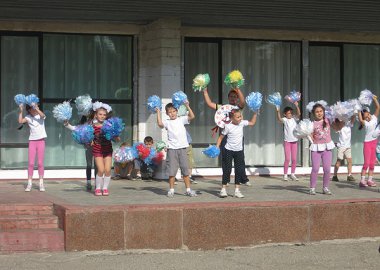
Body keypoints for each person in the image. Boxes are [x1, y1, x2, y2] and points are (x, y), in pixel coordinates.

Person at [203, 87, 251, 186]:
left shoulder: (238, 107)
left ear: (237, 98)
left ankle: (243, 179)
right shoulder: (222, 107)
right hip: (224, 135)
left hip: (237, 137)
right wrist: (205, 91)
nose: (233, 98)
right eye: (231, 96)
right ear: (228, 97)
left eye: (235, 97)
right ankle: (226, 180)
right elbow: (209, 103)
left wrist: (238, 89)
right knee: (226, 160)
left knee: (240, 159)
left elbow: (243, 102)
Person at [156, 102, 197, 197]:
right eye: (170, 112)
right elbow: (160, 124)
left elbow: (192, 116)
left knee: (185, 170)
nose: (172, 113)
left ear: (177, 111)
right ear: (167, 113)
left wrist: (187, 106)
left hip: (183, 148)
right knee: (172, 171)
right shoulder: (167, 122)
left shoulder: (181, 119)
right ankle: (171, 190)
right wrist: (158, 112)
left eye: (174, 111)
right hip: (172, 149)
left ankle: (188, 190)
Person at [216, 109, 257, 198]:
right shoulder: (228, 126)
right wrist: (217, 147)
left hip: (239, 151)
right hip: (228, 150)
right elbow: (220, 138)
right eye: (238, 117)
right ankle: (223, 189)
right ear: (231, 118)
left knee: (238, 170)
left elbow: (252, 123)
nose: (240, 118)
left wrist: (255, 113)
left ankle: (237, 190)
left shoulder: (242, 123)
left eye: (240, 116)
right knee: (227, 169)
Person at [309, 103, 341, 195]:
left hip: (327, 148)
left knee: (327, 169)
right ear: (313, 113)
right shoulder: (311, 124)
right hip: (316, 149)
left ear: (323, 112)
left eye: (321, 111)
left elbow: (338, 126)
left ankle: (325, 188)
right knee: (315, 168)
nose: (319, 113)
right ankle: (312, 188)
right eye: (317, 112)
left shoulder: (328, 120)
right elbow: (310, 136)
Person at [91, 102, 120, 196]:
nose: (102, 116)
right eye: (100, 114)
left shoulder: (110, 125)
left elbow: (116, 138)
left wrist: (116, 137)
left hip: (107, 150)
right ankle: (98, 188)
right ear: (96, 114)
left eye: (104, 115)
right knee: (101, 169)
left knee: (107, 170)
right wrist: (89, 141)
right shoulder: (92, 126)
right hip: (97, 150)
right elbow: (86, 135)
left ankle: (105, 188)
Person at [18, 103, 47, 192]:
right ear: (29, 110)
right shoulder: (28, 117)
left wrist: (37, 108)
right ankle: (29, 183)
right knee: (30, 163)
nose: (33, 110)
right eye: (31, 109)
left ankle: (41, 183)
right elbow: (20, 121)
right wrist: (21, 110)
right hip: (32, 142)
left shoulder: (40, 115)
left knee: (40, 163)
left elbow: (43, 115)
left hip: (41, 141)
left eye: (34, 108)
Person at [64, 114, 97, 191]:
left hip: (97, 146)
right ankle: (88, 183)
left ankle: (97, 183)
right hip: (88, 147)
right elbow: (73, 128)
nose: (89, 115)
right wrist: (66, 123)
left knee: (97, 165)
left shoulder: (95, 122)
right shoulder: (82, 125)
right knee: (89, 164)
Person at [358, 96, 380, 187]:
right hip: (367, 144)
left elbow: (378, 107)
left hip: (374, 143)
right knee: (366, 163)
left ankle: (370, 180)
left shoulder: (374, 118)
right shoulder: (365, 123)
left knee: (372, 163)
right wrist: (358, 109)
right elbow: (360, 119)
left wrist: (374, 99)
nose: (367, 114)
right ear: (364, 116)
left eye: (367, 112)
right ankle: (362, 181)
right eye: (364, 113)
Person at [275, 102, 301, 181]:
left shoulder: (294, 118)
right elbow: (279, 119)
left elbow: (299, 113)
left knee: (294, 159)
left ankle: (292, 174)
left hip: (294, 141)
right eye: (288, 113)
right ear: (285, 114)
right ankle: (285, 174)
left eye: (291, 113)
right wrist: (277, 111)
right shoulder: (285, 120)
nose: (290, 114)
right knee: (287, 159)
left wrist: (296, 105)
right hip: (287, 142)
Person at [331, 116, 356, 182]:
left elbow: (353, 119)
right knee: (339, 161)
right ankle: (335, 175)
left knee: (349, 161)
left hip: (348, 146)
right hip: (341, 146)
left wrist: (355, 111)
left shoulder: (348, 124)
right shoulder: (339, 128)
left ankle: (349, 175)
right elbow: (333, 125)